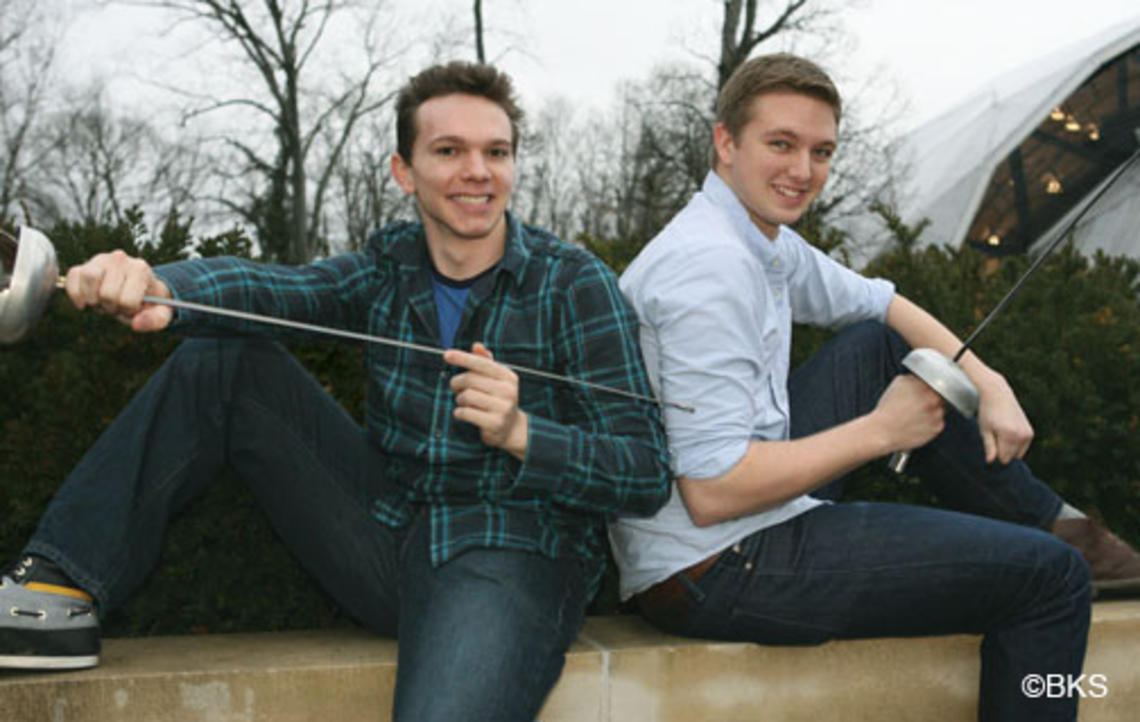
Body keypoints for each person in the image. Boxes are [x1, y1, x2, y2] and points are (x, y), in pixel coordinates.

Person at [0, 61, 671, 721]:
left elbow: (644, 472)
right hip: (387, 540)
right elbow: (275, 291)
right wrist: (161, 288)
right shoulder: (387, 271)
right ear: (403, 172)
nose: (478, 171)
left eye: (496, 151)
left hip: (512, 554)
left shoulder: (573, 283)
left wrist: (523, 432)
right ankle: (54, 592)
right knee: (226, 360)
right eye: (449, 150)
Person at [608, 53, 1140, 721]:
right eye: (781, 144)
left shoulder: (753, 235)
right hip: (715, 565)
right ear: (725, 143)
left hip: (735, 522)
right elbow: (713, 492)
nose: (803, 172)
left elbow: (882, 304)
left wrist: (990, 381)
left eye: (821, 150)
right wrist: (882, 432)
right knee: (1050, 580)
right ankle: (1064, 548)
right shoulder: (708, 270)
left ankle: (1057, 524)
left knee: (885, 346)